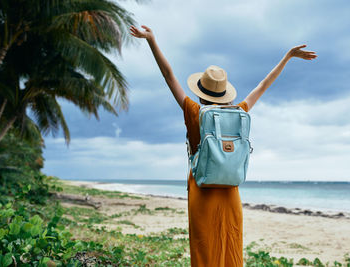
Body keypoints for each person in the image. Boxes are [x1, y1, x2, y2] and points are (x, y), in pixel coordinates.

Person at [130, 25, 317, 267]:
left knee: (205, 250)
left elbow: (169, 76)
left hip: (202, 192)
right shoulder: (239, 112)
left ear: (201, 92)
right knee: (230, 248)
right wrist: (287, 57)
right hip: (230, 194)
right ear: (225, 93)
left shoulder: (194, 111)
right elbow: (262, 85)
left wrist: (152, 41)